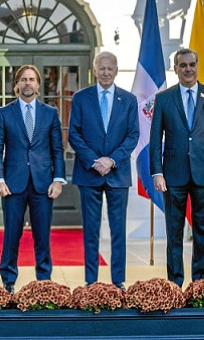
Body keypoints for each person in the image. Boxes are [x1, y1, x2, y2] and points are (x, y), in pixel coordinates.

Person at [149, 48, 204, 286]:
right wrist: (157, 172)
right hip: (173, 176)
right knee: (174, 232)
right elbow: (155, 139)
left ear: (197, 66)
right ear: (175, 69)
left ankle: (201, 284)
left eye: (192, 64)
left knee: (202, 232)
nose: (188, 69)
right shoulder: (164, 98)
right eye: (183, 65)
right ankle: (174, 284)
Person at [0, 64, 65, 293]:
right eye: (23, 79)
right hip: (13, 184)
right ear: (17, 85)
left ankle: (44, 282)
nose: (28, 83)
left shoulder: (50, 113)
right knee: (12, 234)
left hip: (43, 184)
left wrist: (58, 179)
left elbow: (57, 149)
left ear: (38, 84)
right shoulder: (4, 113)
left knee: (42, 236)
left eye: (32, 79)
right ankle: (8, 281)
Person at [67, 51, 139, 289]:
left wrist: (112, 160)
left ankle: (118, 281)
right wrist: (94, 161)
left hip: (118, 174)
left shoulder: (128, 100)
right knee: (91, 230)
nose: (106, 72)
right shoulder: (81, 98)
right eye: (102, 68)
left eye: (110, 68)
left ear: (116, 71)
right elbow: (74, 134)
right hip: (89, 174)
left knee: (118, 231)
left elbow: (133, 135)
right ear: (94, 70)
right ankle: (91, 281)